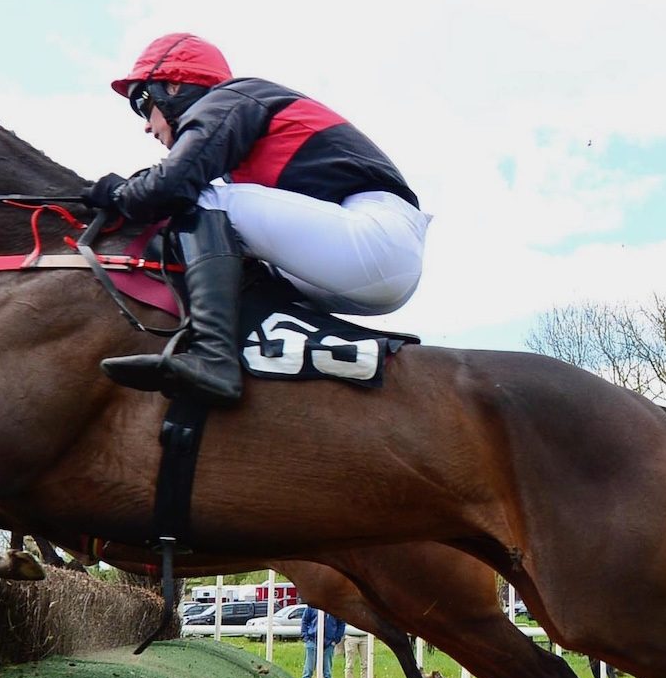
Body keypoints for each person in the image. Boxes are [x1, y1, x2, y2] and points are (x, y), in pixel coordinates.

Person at [84, 33, 432, 404]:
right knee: (235, 258)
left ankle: (213, 359)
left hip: (374, 239)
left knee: (200, 200)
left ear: (172, 86)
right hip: (364, 266)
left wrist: (116, 193)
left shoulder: (230, 97)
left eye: (142, 103)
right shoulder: (240, 130)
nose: (146, 125)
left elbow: (170, 187)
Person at [300, 604, 347, 678]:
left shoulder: (334, 608)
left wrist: (335, 640)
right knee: (308, 671)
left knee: (327, 673)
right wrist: (306, 637)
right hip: (312, 641)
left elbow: (341, 624)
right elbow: (304, 621)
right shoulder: (312, 606)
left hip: (329, 643)